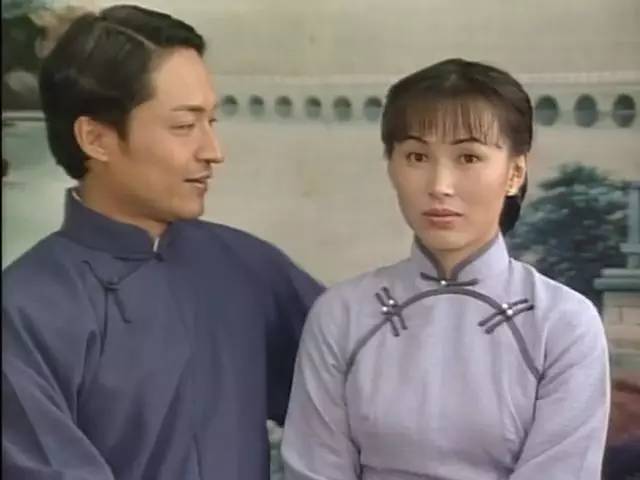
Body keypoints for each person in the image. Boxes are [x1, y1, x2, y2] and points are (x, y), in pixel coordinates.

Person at [2, 5, 323, 480]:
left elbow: (359, 398)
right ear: (96, 138)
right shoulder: (24, 311)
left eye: (212, 122)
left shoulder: (246, 267)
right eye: (184, 126)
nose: (213, 151)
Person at [281, 58, 610, 479]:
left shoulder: (563, 323)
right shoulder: (341, 314)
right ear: (391, 167)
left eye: (468, 157)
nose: (439, 185)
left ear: (514, 173)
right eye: (417, 156)